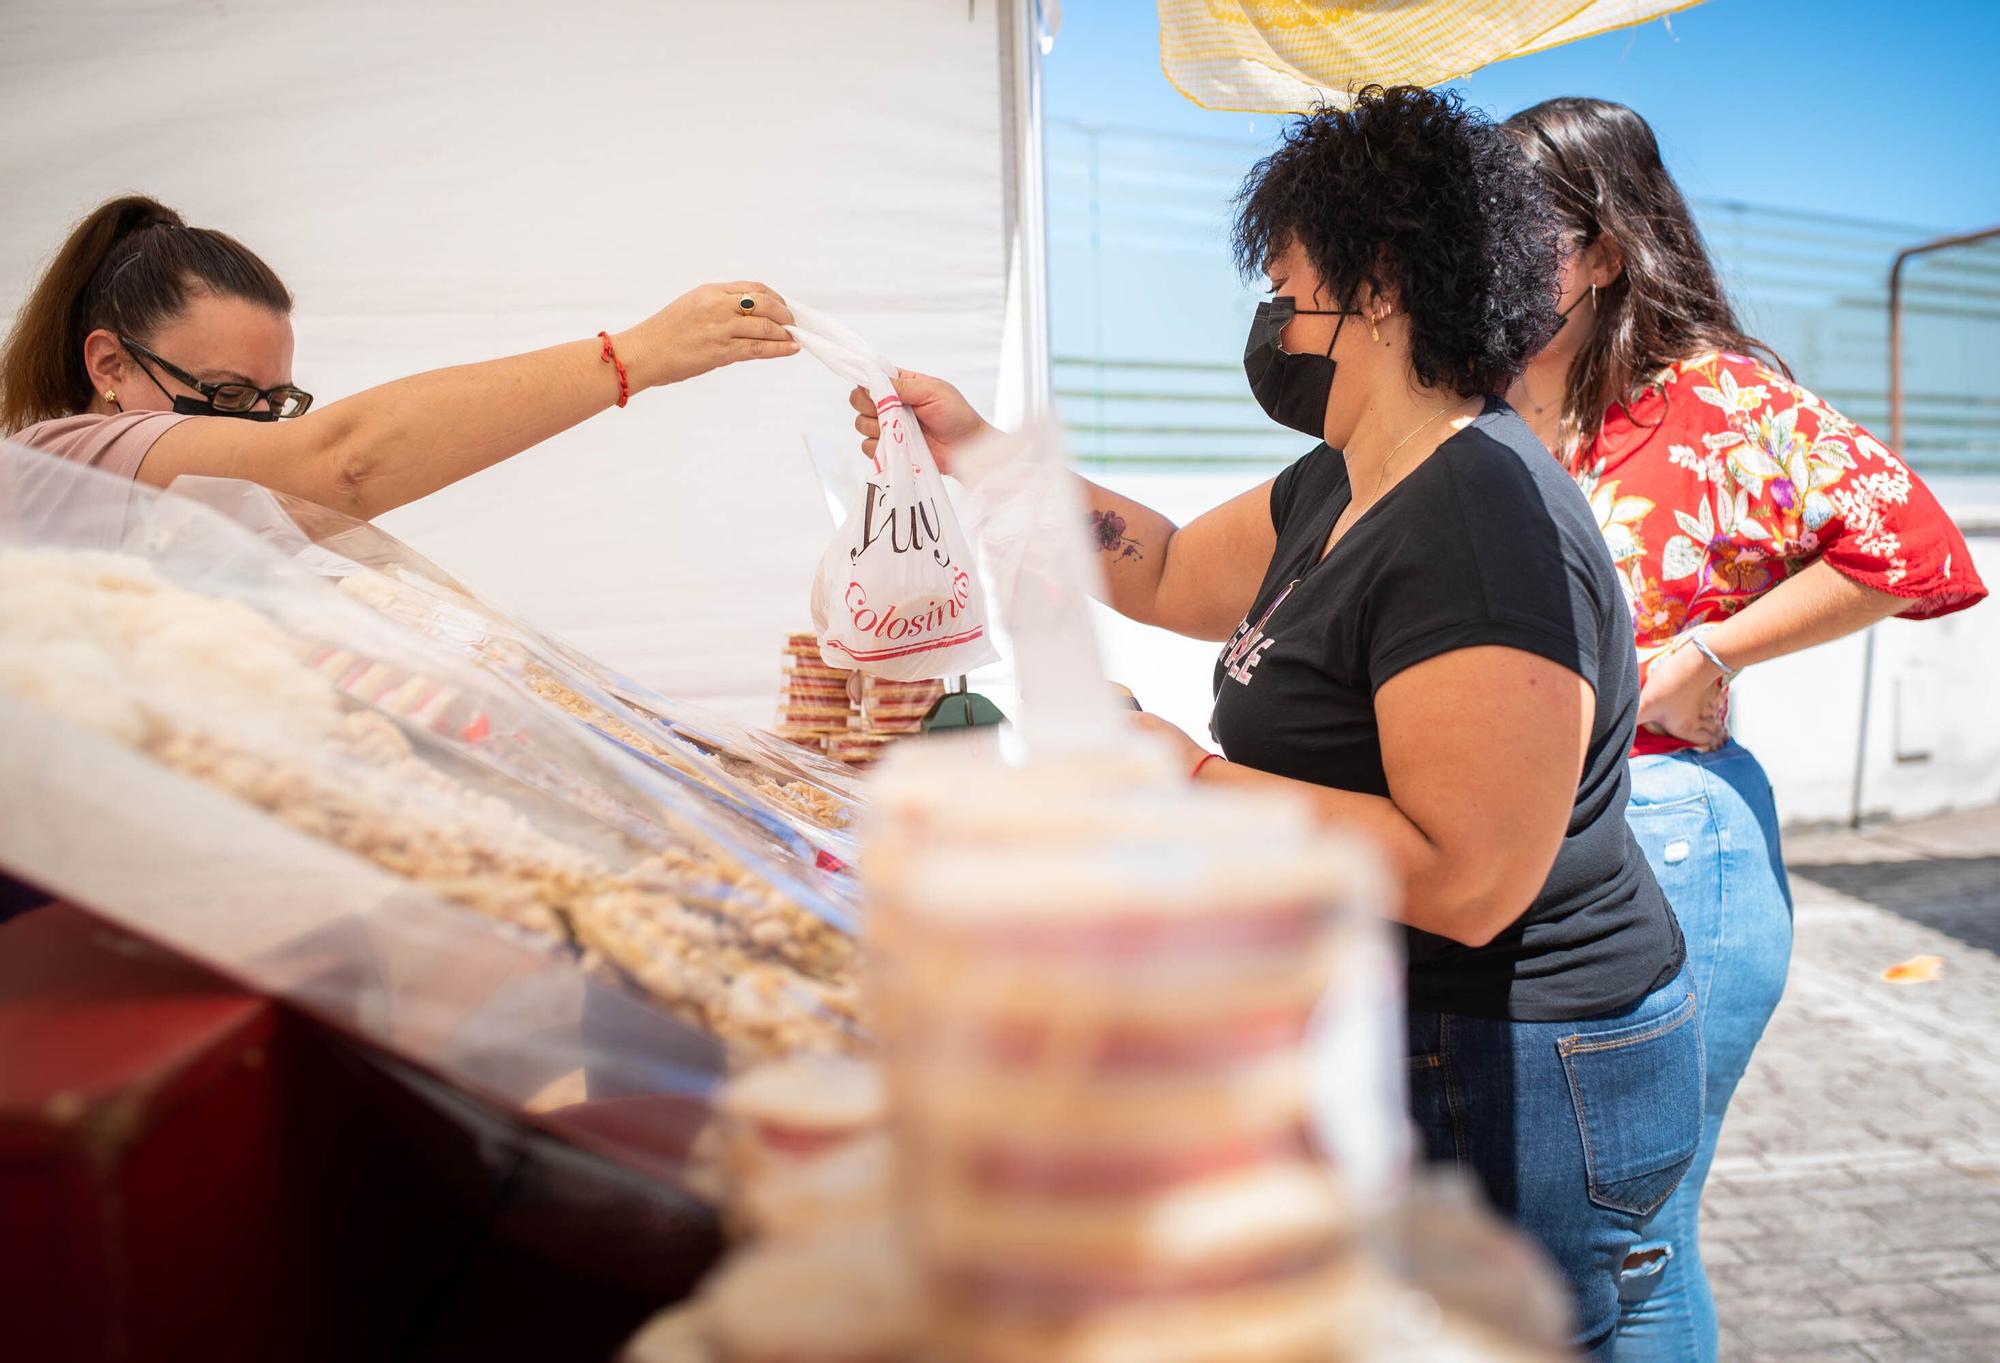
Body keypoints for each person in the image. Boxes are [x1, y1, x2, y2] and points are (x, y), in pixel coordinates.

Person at [852, 86, 1696, 1360]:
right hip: (1416, 1033)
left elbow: (1467, 877)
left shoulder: (1476, 519)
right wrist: (973, 449)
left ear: (1378, 289)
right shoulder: (1352, 473)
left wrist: (1187, 779)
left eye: (1286, 282)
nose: (1271, 318)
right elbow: (1168, 569)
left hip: (1513, 1061)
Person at [1502, 96, 1989, 1363]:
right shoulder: (1489, 411)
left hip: (1668, 837)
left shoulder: (1706, 400)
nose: (1489, 251)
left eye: (1520, 224)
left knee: (1631, 1238)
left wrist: (1706, 652)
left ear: (1603, 248)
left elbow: (1914, 550)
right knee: (1545, 1234)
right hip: (1520, 849)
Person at [0, 195, 799, 514]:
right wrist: (639, 354)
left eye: (275, 401)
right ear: (108, 366)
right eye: (228, 392)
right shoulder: (60, 461)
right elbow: (344, 462)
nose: (261, 426)